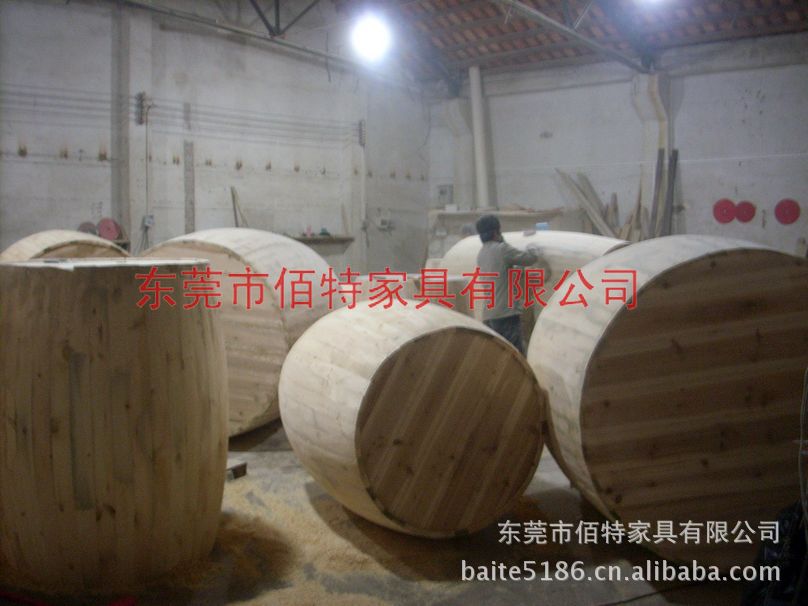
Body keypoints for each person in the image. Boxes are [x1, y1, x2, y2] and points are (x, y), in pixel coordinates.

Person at [475, 215, 545, 355]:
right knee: (515, 355)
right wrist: (534, 248)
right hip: (506, 314)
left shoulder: (481, 253)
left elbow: (506, 270)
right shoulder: (502, 249)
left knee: (499, 355)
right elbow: (529, 259)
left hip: (489, 315)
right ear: (496, 232)